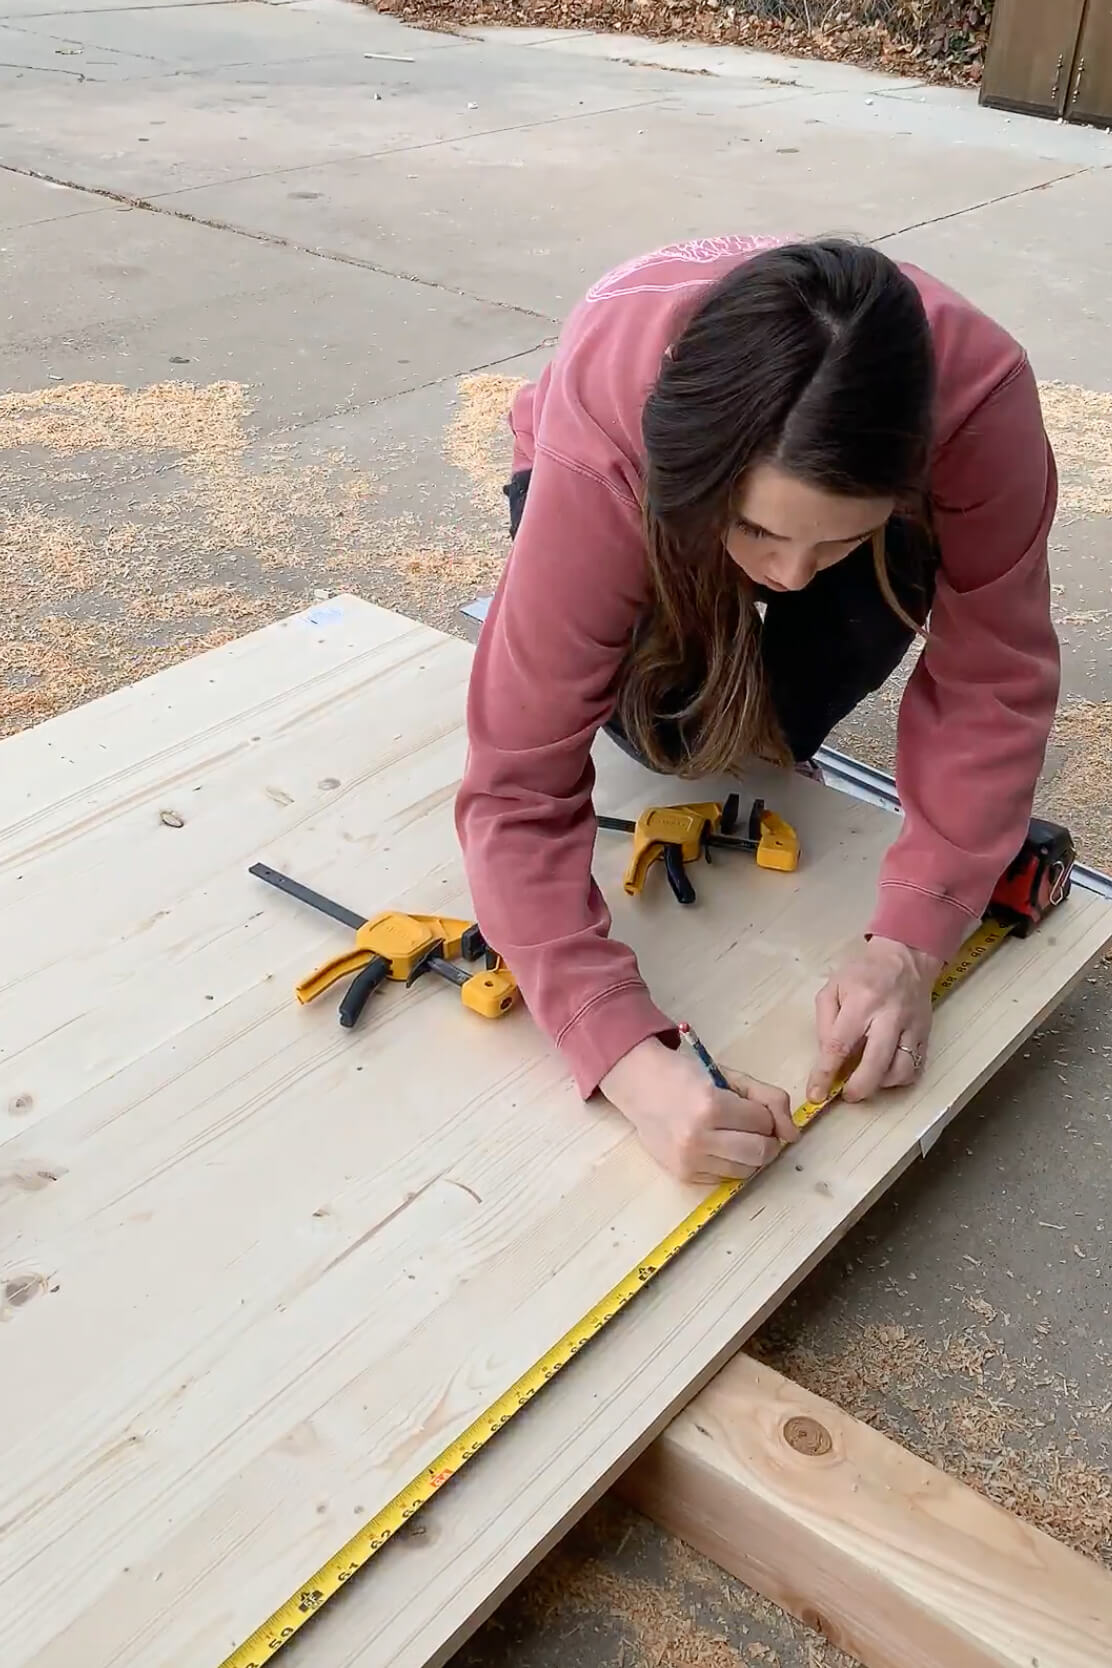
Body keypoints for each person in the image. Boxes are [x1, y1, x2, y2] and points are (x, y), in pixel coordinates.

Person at [456, 235, 1059, 1185]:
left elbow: (996, 676)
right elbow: (516, 781)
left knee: (770, 719)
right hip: (626, 462)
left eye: (831, 541)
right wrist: (620, 1053)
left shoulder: (983, 405)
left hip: (820, 486)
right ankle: (674, 561)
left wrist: (913, 940)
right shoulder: (610, 418)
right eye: (756, 532)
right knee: (675, 740)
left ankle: (806, 541)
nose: (783, 577)